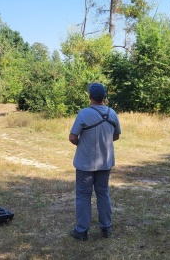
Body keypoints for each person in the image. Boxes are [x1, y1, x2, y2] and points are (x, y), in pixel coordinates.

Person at [68, 82, 121, 241]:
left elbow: (72, 137)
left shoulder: (84, 114)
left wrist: (84, 144)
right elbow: (116, 136)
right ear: (104, 97)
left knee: (83, 195)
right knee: (103, 193)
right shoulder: (113, 114)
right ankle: (106, 228)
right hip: (105, 163)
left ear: (90, 96)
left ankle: (82, 231)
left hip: (85, 163)